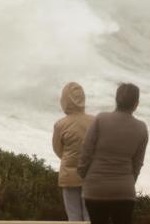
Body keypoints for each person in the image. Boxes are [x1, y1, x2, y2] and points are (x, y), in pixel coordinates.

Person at [78, 83, 148, 224]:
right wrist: (128, 180)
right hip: (124, 190)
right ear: (136, 104)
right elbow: (137, 163)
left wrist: (83, 173)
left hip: (95, 188)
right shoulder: (141, 128)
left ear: (116, 99)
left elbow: (86, 150)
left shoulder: (101, 119)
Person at [52, 82, 95, 221]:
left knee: (73, 217)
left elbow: (58, 150)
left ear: (64, 101)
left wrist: (68, 158)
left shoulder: (60, 125)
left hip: (68, 176)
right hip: (90, 174)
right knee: (89, 216)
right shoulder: (94, 121)